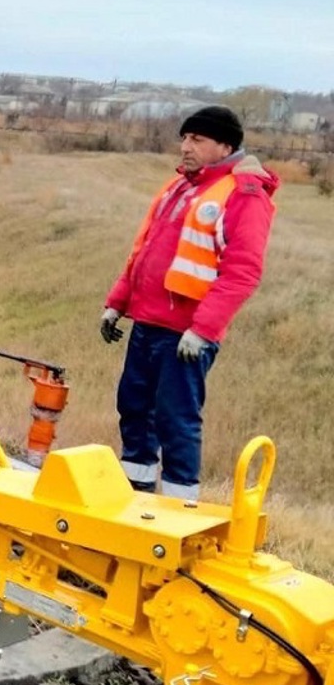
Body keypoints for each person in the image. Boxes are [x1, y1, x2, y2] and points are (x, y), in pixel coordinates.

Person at [100, 106, 277, 501]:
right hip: (148, 323)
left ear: (225, 145)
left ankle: (180, 508)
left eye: (197, 140)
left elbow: (243, 271)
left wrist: (203, 330)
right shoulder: (181, 187)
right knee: (133, 409)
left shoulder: (243, 194)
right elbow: (145, 251)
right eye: (184, 138)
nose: (185, 147)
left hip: (186, 334)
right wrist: (117, 303)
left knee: (174, 419)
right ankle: (137, 495)